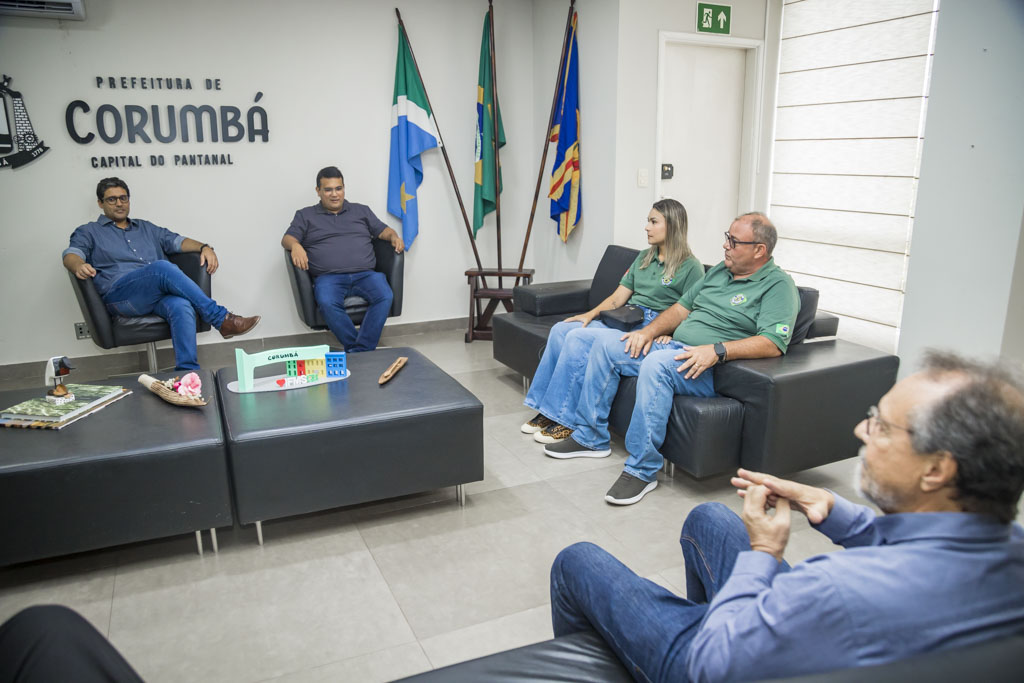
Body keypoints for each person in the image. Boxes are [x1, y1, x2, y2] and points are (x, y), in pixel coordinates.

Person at [550, 350, 1024, 681]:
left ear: (936, 469)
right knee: (710, 517)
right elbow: (923, 545)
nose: (862, 429)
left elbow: (713, 665)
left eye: (882, 426)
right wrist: (832, 509)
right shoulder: (1011, 552)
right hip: (810, 644)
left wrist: (764, 553)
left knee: (577, 561)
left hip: (716, 660)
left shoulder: (836, 588)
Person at [545, 212, 799, 505]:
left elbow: (772, 343)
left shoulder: (778, 286)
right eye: (726, 237)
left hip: (712, 366)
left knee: (656, 366)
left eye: (734, 241)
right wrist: (648, 333)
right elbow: (680, 309)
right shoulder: (720, 271)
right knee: (606, 345)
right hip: (676, 347)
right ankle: (591, 437)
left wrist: (717, 350)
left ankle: (642, 470)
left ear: (759, 250)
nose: (725, 245)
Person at [521, 199, 704, 444]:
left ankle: (565, 419)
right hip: (625, 317)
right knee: (562, 329)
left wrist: (670, 333)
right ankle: (546, 410)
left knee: (578, 339)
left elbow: (690, 311)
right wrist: (589, 314)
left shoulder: (691, 267)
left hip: (649, 326)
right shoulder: (644, 257)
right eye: (647, 221)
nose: (646, 227)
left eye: (653, 222)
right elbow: (618, 298)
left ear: (672, 225)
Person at [62, 178, 261, 371]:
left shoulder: (146, 228)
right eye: (112, 199)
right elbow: (71, 254)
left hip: (155, 295)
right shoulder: (89, 231)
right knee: (161, 268)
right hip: (121, 297)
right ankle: (221, 318)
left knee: (181, 305)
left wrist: (204, 247)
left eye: (123, 198)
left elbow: (178, 241)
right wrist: (78, 264)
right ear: (100, 203)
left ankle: (187, 373)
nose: (119, 203)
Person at [282, 166, 404, 352]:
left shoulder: (361, 211)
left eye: (338, 188)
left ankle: (358, 350)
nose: (334, 194)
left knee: (385, 295)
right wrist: (296, 246)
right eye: (328, 189)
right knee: (327, 302)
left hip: (365, 275)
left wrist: (394, 236)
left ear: (344, 188)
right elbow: (287, 239)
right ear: (318, 191)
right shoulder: (305, 215)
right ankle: (361, 350)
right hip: (329, 278)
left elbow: (383, 230)